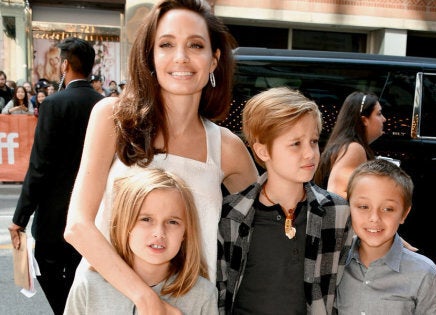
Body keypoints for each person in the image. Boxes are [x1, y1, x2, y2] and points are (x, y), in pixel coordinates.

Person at [63, 0, 258, 314]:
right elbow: (77, 226)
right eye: (166, 44)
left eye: (195, 45)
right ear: (150, 56)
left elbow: (262, 227)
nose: (181, 57)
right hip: (106, 298)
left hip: (191, 303)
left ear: (214, 61)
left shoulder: (227, 147)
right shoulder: (112, 117)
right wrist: (147, 300)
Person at [217, 87, 352, 314]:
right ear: (263, 151)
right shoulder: (231, 215)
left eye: (314, 141)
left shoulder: (337, 212)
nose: (310, 153)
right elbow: (219, 293)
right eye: (296, 143)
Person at [7, 37, 104, 315]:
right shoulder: (105, 105)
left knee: (45, 269)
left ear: (65, 65)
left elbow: (39, 167)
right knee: (81, 271)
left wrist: (19, 218)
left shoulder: (53, 104)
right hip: (95, 211)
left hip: (53, 214)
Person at [64, 169, 217, 314]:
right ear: (124, 224)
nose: (159, 233)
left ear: (186, 232)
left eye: (172, 222)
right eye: (146, 219)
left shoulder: (203, 294)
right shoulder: (88, 285)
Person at [336, 159, 436, 315]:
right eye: (363, 206)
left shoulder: (425, 275)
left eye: (388, 209)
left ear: (404, 214)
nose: (374, 218)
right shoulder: (335, 263)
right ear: (349, 207)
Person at [314, 91, 386, 198]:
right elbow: (337, 193)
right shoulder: (354, 149)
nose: (384, 119)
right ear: (364, 120)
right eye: (379, 114)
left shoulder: (346, 145)